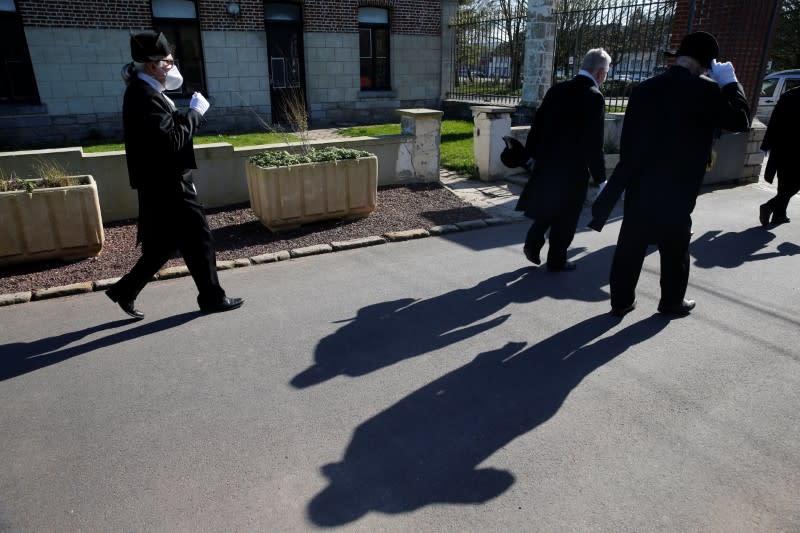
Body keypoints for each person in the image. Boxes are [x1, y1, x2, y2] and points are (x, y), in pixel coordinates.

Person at [588, 31, 750, 316]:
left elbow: (629, 141)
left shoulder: (644, 88)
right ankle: (671, 300)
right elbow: (740, 120)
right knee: (675, 245)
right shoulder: (707, 90)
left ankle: (622, 300)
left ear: (680, 58)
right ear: (705, 65)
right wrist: (730, 83)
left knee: (631, 242)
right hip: (679, 186)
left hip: (640, 180)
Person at [106, 31, 243, 319]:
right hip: (169, 183)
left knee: (162, 246)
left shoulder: (145, 91)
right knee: (200, 237)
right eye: (168, 61)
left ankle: (125, 291)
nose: (172, 66)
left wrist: (188, 115)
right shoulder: (143, 95)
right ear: (153, 64)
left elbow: (163, 131)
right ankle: (212, 298)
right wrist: (195, 114)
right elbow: (169, 144)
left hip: (158, 182)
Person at [515, 48, 610, 272]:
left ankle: (533, 240)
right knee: (567, 217)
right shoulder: (594, 97)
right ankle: (556, 260)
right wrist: (602, 180)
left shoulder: (556, 89)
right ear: (599, 73)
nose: (605, 78)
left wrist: (529, 156)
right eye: (605, 73)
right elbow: (594, 143)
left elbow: (537, 126)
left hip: (548, 163)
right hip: (573, 169)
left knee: (550, 206)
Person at [759, 86, 800, 226]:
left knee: (785, 182)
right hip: (796, 150)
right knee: (794, 184)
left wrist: (766, 144)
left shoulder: (789, 95)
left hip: (781, 147)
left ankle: (779, 215)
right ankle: (770, 206)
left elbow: (774, 120)